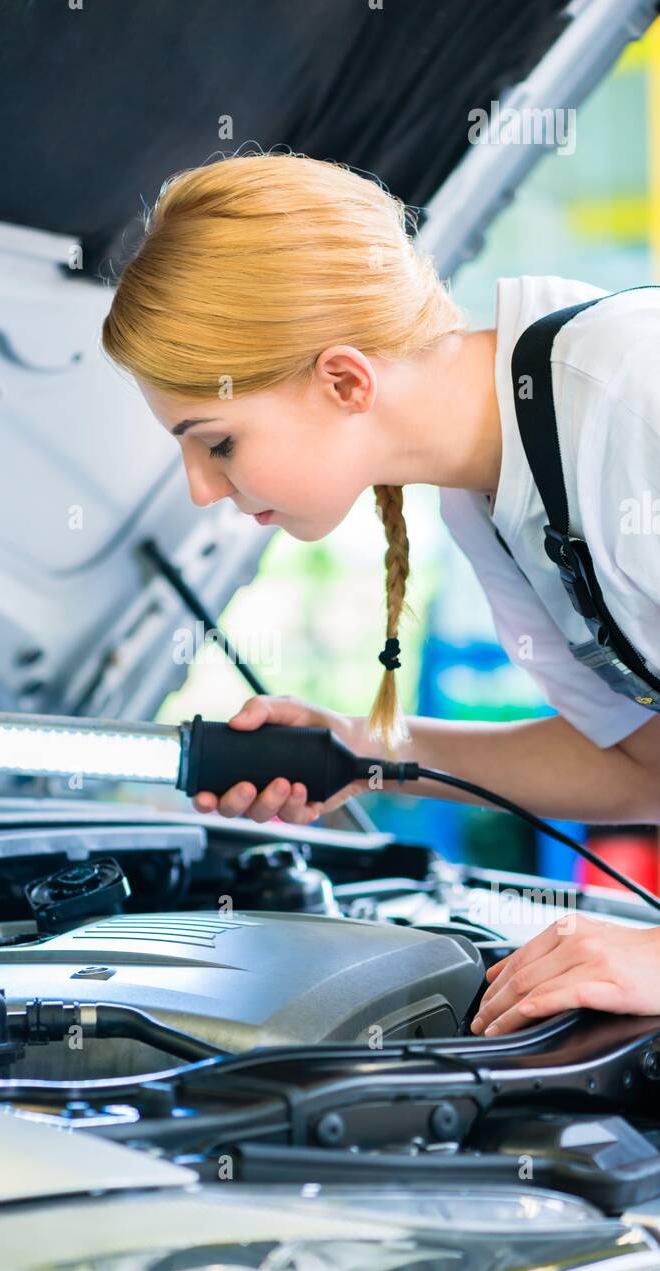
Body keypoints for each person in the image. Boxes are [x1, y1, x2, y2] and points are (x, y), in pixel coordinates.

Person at [100, 151, 660, 1035]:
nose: (203, 489)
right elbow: (640, 767)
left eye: (216, 442)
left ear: (344, 380)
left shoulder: (629, 392)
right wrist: (359, 751)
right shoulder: (494, 489)